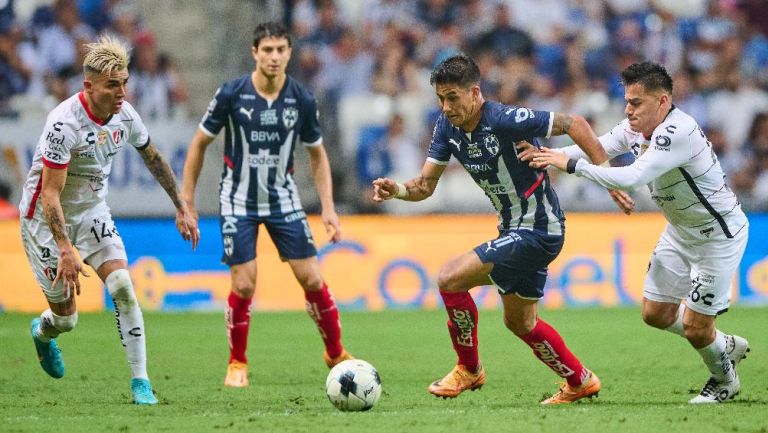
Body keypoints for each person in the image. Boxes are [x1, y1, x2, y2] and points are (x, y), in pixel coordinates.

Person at [372, 53, 630, 404]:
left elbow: (575, 123)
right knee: (520, 323)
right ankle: (579, 380)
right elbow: (425, 187)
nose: (446, 107)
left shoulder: (505, 119)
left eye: (453, 98)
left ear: (475, 93)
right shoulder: (446, 128)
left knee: (450, 278)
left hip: (539, 229)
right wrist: (398, 191)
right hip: (513, 230)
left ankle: (469, 369)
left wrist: (608, 176)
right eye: (440, 99)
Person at [528, 61, 750, 404]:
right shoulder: (635, 127)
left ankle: (725, 381)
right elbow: (597, 146)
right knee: (655, 314)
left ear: (662, 101)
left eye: (636, 103)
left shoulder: (678, 132)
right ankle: (724, 345)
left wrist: (569, 166)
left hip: (717, 237)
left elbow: (632, 177)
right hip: (680, 232)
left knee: (695, 328)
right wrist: (543, 153)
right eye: (627, 101)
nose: (628, 110)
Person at [20, 35, 199, 405]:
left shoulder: (125, 115)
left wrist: (181, 205)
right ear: (89, 86)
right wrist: (65, 248)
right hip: (45, 219)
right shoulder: (62, 124)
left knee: (121, 284)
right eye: (112, 85)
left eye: (125, 83)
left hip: (91, 211)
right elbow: (50, 192)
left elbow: (153, 157)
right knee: (67, 318)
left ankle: (141, 383)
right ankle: (43, 332)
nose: (122, 93)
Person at [181, 21, 352, 388]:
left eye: (281, 50)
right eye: (267, 50)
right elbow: (198, 144)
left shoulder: (301, 99)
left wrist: (329, 209)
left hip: (283, 199)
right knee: (244, 284)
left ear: (289, 53)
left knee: (312, 278)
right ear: (254, 53)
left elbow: (317, 156)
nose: (274, 57)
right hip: (238, 200)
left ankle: (336, 353)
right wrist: (187, 202)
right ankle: (237, 362)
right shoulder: (231, 94)